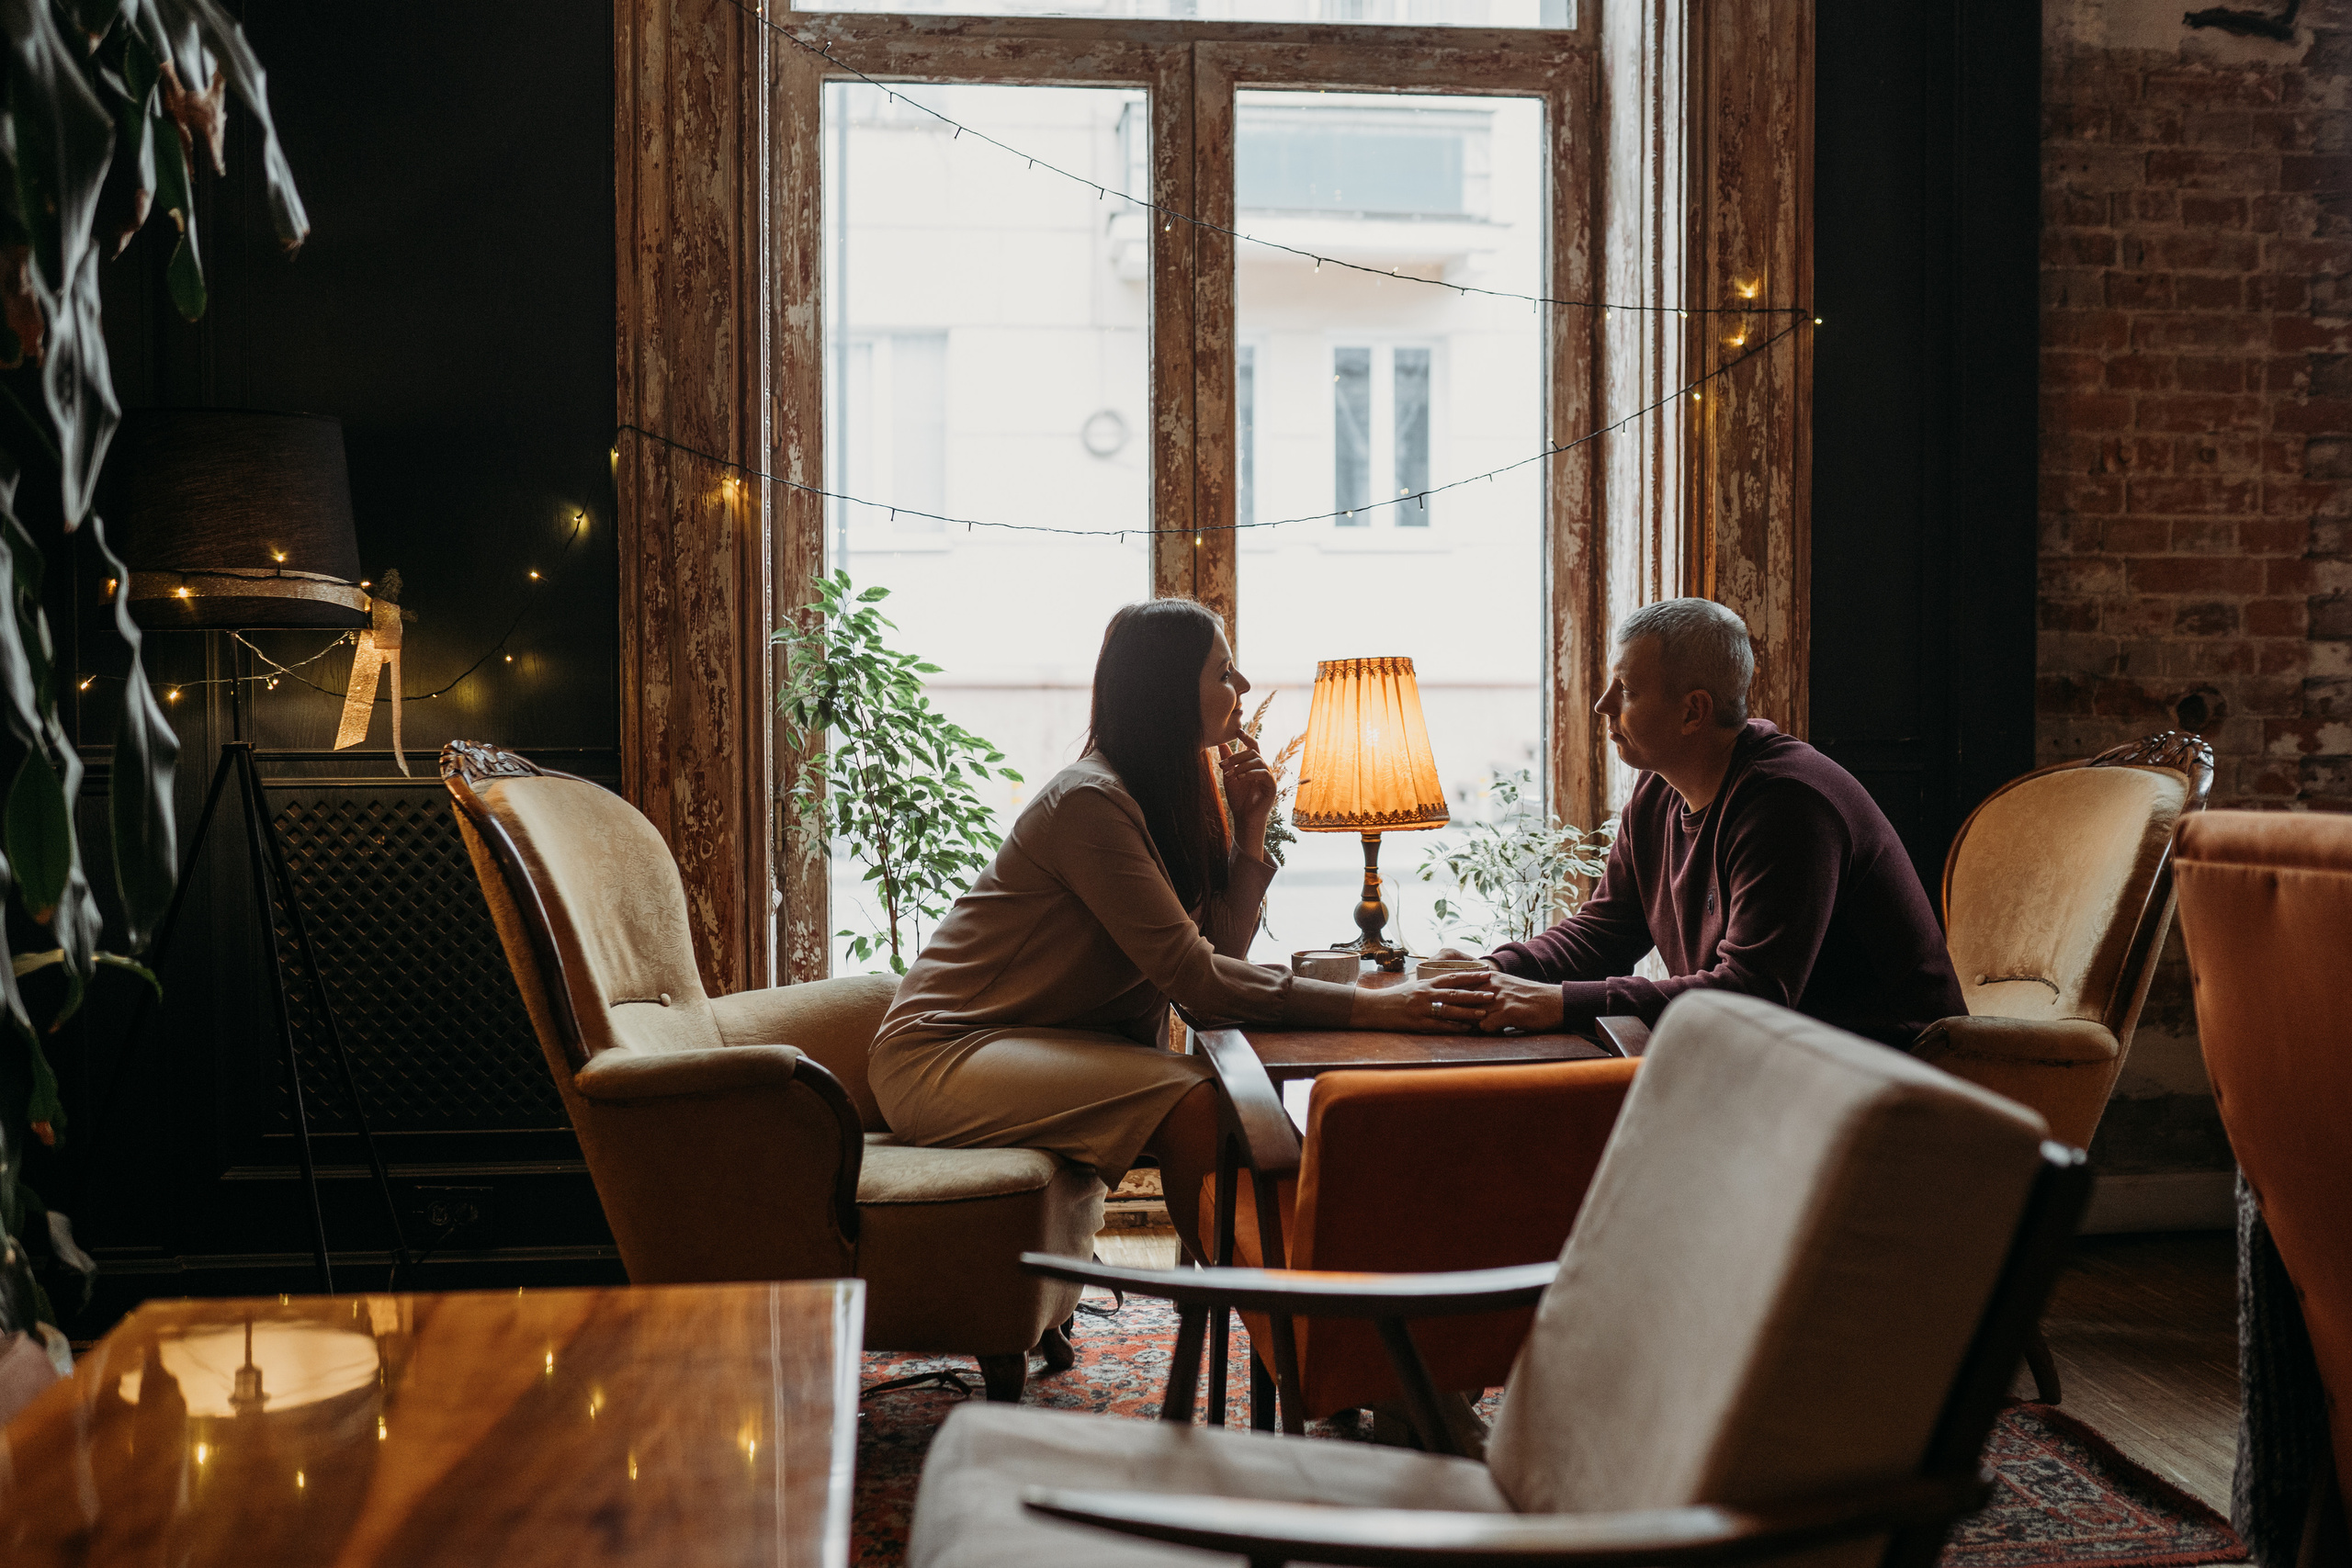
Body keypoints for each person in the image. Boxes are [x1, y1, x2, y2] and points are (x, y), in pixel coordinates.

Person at [870, 598, 1469, 1255]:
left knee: (1220, 1090)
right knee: (1195, 1100)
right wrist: (1373, 1006)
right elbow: (1201, 981)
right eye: (1224, 672)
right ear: (1167, 689)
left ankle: (1265, 1299)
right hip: (943, 1053)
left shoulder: (1159, 791)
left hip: (1020, 1040)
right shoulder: (1088, 802)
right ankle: (1252, 1307)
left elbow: (1220, 953)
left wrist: (1249, 829)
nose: (1241, 688)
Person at [1429, 598, 1965, 1049]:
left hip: (1887, 1077)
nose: (1602, 705)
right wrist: (1493, 969)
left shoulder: (1788, 804)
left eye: (1627, 690)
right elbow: (1607, 928)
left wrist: (1561, 1002)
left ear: (1693, 712)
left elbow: (1750, 994)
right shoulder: (1658, 787)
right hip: (1783, 1063)